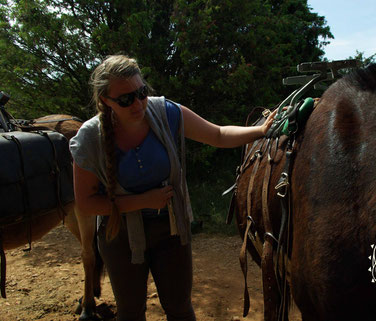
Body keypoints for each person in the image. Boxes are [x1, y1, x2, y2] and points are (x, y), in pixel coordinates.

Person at [70, 55, 276, 321]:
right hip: (118, 234)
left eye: (141, 93)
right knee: (131, 313)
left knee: (180, 309)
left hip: (171, 228)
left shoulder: (166, 113)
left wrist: (260, 131)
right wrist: (143, 201)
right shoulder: (89, 138)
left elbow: (218, 135)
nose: (138, 103)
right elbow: (86, 204)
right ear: (106, 101)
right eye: (126, 99)